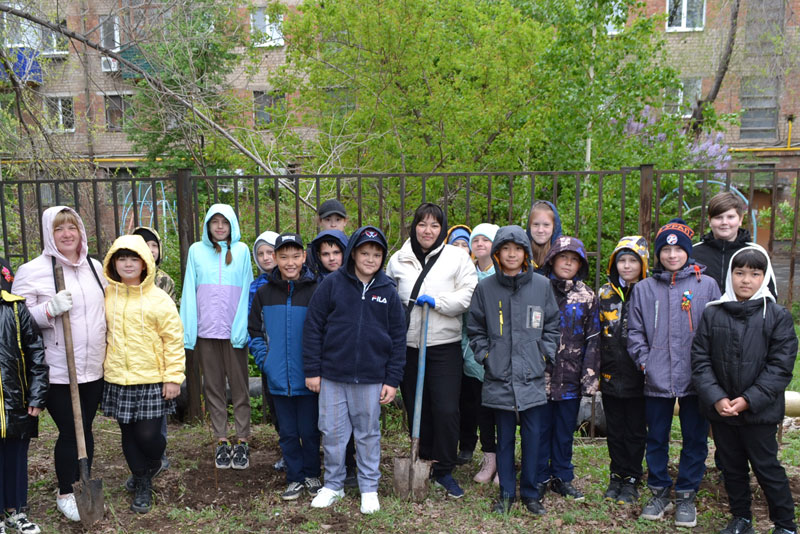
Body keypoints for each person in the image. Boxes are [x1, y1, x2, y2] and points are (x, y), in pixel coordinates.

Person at [692, 245, 798, 534]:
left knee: (767, 468)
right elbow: (700, 361)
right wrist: (717, 397)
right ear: (730, 275)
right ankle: (741, 519)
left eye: (754, 273)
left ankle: (786, 525)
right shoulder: (713, 314)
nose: (746, 280)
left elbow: (780, 367)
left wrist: (749, 400)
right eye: (739, 273)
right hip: (722, 410)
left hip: (759, 412)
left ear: (764, 277)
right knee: (732, 467)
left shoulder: (777, 316)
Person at [12, 206, 107, 522]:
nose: (67, 234)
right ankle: (67, 491)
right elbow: (17, 321)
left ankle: (84, 481)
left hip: (93, 366)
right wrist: (49, 310)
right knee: (69, 429)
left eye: (72, 227)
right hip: (57, 368)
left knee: (86, 428)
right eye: (58, 229)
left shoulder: (95, 268)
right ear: (48, 234)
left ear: (81, 230)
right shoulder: (32, 271)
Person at [303, 226, 406, 514]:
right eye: (364, 253)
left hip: (372, 379)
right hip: (333, 375)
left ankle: (369, 487)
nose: (370, 259)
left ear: (382, 257)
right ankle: (333, 485)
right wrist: (312, 370)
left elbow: (398, 338)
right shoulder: (333, 284)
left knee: (367, 434)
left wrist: (392, 379)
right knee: (333, 433)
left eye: (376, 254)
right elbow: (313, 328)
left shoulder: (388, 291)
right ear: (353, 254)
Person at [628, 218, 720, 528]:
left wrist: (707, 369)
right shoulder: (643, 288)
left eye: (678, 250)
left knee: (695, 437)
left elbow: (715, 330)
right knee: (656, 436)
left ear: (687, 253)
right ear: (658, 255)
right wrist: (646, 362)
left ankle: (686, 493)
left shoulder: (706, 286)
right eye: (665, 251)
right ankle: (658, 491)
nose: (671, 256)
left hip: (697, 377)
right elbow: (635, 331)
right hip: (656, 377)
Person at [386, 202, 477, 499]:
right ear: (414, 226)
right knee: (416, 407)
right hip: (408, 345)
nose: (428, 230)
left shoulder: (456, 257)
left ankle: (444, 468)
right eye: (422, 224)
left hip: (443, 345)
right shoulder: (398, 259)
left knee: (446, 408)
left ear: (442, 229)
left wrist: (439, 301)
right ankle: (421, 460)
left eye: (435, 225)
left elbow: (469, 294)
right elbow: (388, 295)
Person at [468, 225, 560, 515]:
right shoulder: (485, 288)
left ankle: (531, 493)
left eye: (517, 249)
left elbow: (552, 327)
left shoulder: (542, 286)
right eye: (505, 249)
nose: (511, 254)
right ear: (497, 254)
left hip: (531, 376)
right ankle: (507, 493)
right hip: (499, 377)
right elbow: (475, 328)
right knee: (504, 438)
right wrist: (487, 356)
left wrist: (543, 355)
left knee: (533, 438)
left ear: (525, 254)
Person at [100, 235, 185, 514]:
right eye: (121, 258)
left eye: (133, 258)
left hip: (151, 378)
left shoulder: (159, 299)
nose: (127, 264)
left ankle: (154, 462)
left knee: (149, 436)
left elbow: (173, 339)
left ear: (145, 263)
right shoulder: (107, 295)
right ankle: (142, 481)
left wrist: (173, 377)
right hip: (119, 378)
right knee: (128, 433)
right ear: (113, 263)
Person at [249, 233, 322, 501]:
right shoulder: (264, 293)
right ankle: (294, 478)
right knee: (288, 433)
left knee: (310, 431)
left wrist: (318, 367)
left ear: (304, 257)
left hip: (309, 377)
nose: (289, 262)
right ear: (275, 259)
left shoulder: (316, 291)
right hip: (278, 378)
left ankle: (312, 474)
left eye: (295, 256)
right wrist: (265, 361)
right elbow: (254, 331)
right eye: (283, 257)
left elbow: (325, 331)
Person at [180, 204, 253, 470]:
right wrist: (189, 330)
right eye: (215, 222)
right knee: (213, 387)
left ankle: (242, 439)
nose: (220, 226)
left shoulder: (243, 251)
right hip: (206, 331)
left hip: (234, 332)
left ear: (232, 224)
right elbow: (189, 289)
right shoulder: (196, 251)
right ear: (208, 226)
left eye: (224, 222)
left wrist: (241, 327)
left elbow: (247, 291)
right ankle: (221, 439)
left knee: (241, 386)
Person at [536, 235, 600, 504]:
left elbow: (593, 340)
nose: (568, 263)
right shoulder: (538, 290)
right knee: (538, 429)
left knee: (564, 432)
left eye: (574, 259)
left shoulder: (587, 297)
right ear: (552, 260)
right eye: (563, 257)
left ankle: (562, 476)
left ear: (580, 265)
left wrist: (589, 381)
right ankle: (537, 475)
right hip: (539, 377)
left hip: (571, 379)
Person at [597, 236, 649, 504]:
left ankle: (632, 478)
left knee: (636, 430)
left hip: (640, 377)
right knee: (615, 429)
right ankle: (616, 475)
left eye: (633, 261)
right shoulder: (604, 294)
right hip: (610, 375)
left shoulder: (649, 291)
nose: (627, 266)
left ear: (643, 264)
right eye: (622, 260)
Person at [0, 287, 48, 534]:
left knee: (15, 457)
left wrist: (37, 395)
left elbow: (36, 354)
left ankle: (14, 510)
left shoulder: (16, 308)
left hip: (15, 401)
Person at [466, 223, 500, 484]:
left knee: (504, 411)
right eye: (475, 240)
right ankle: (489, 459)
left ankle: (505, 460)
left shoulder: (503, 274)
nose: (480, 244)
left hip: (502, 354)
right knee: (482, 410)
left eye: (485, 240)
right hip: (474, 354)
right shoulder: (466, 273)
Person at [248, 230, 283, 471]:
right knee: (276, 408)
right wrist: (262, 357)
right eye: (260, 253)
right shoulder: (255, 287)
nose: (266, 258)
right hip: (270, 358)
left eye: (270, 252)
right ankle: (286, 449)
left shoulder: (295, 280)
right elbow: (253, 325)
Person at [692, 191, 752, 292]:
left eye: (730, 217)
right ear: (710, 220)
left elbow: (768, 295)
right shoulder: (693, 253)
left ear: (741, 219)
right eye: (718, 217)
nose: (724, 222)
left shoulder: (754, 252)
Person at [132, 226, 177, 304]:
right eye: (145, 245)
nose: (151, 250)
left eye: (154, 245)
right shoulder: (126, 276)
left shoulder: (165, 281)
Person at [526, 200, 563, 273]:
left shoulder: (563, 253)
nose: (540, 230)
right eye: (536, 224)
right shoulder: (521, 252)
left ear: (554, 227)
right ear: (529, 226)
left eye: (546, 225)